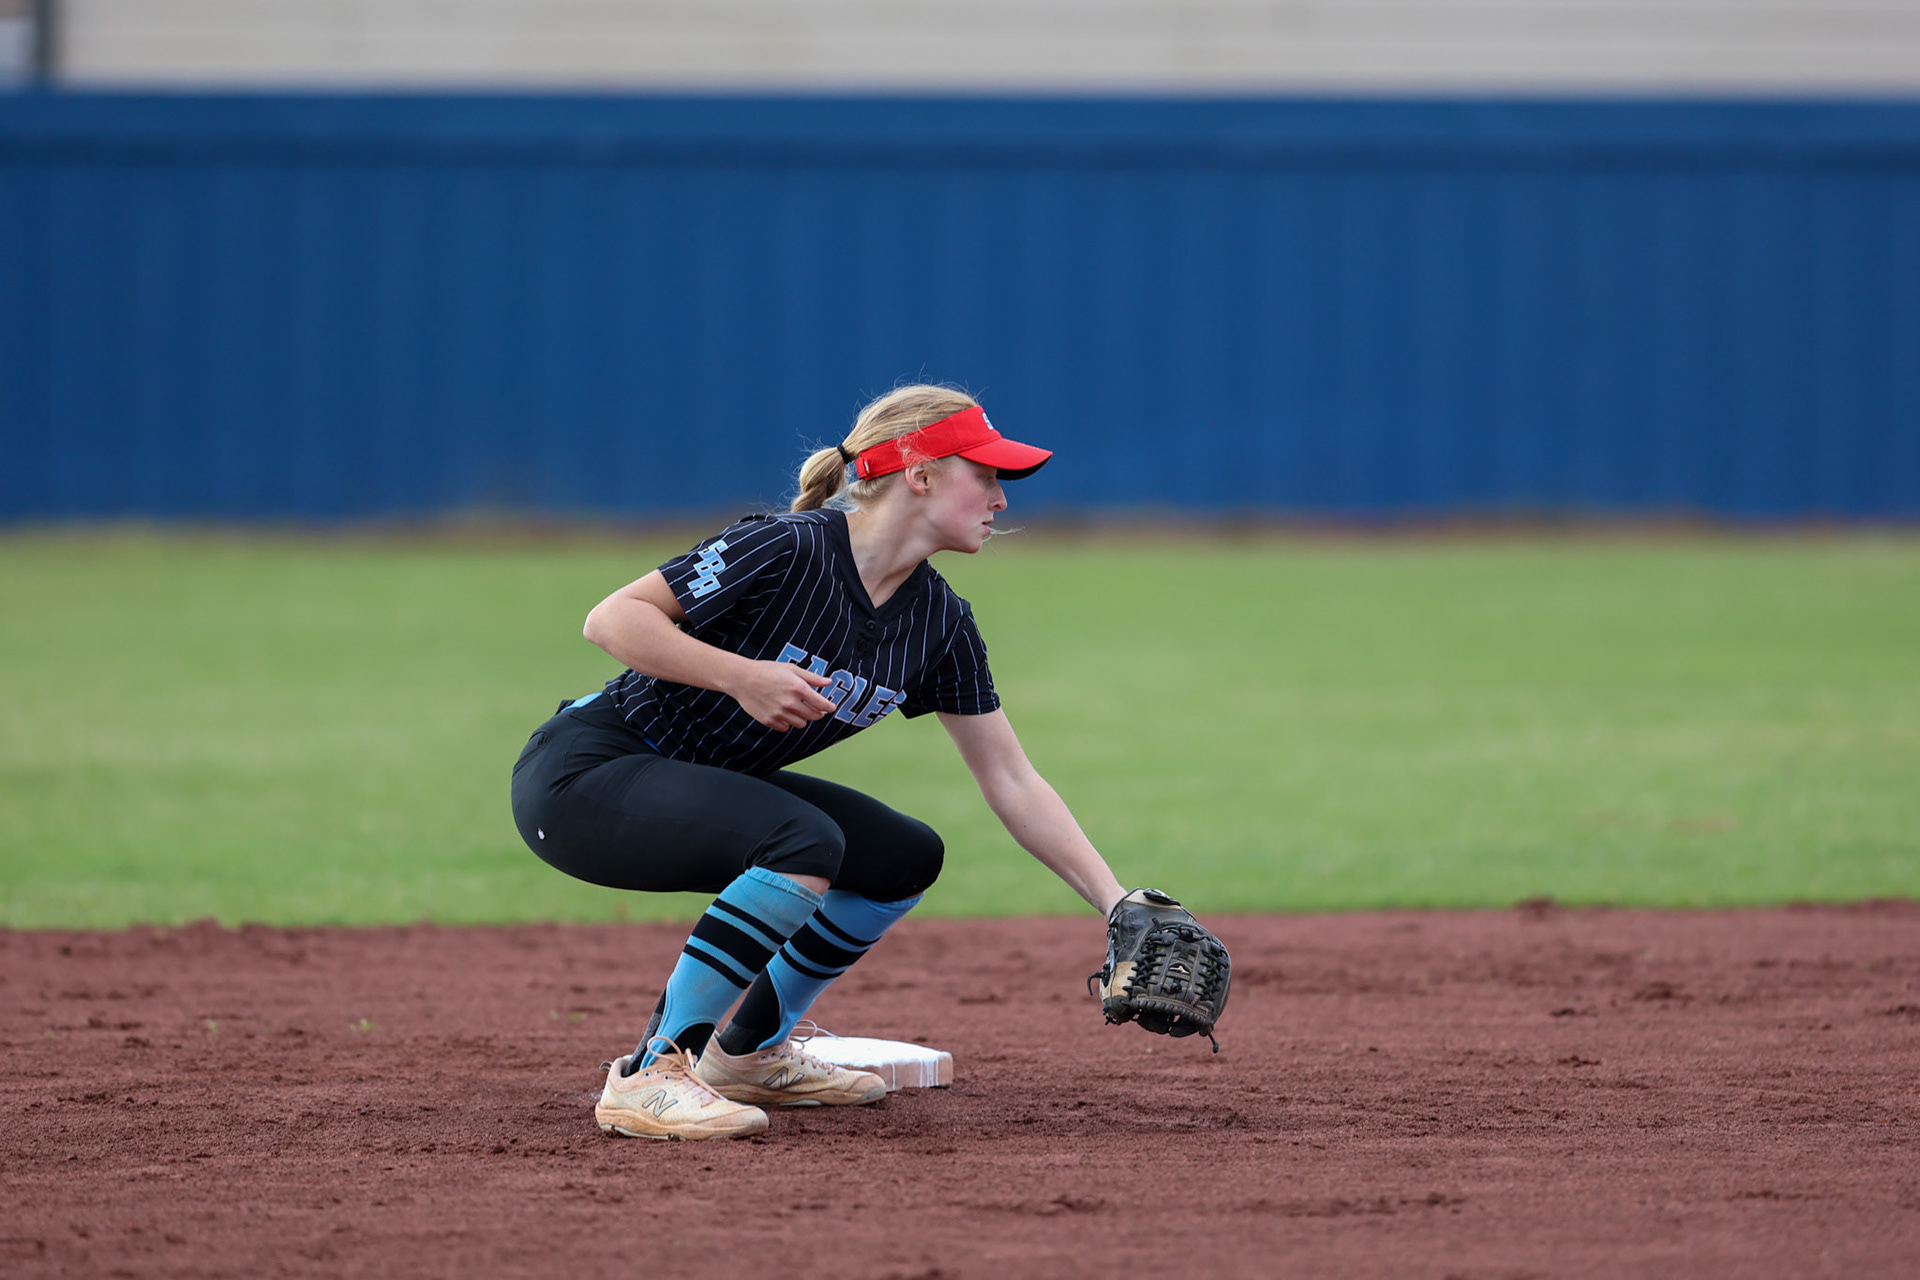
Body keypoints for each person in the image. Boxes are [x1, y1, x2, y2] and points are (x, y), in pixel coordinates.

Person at [510, 384, 1128, 1141]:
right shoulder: (789, 546)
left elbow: (1011, 778)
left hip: (699, 783)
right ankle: (652, 1073)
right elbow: (612, 620)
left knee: (904, 857)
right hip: (586, 775)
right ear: (919, 473)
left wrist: (1115, 902)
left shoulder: (938, 621)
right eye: (987, 474)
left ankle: (748, 1056)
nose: (1001, 499)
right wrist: (740, 674)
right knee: (804, 842)